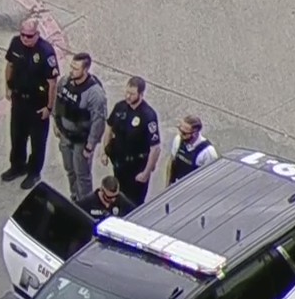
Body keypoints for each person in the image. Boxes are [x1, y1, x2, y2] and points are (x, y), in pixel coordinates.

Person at [1, 17, 59, 190]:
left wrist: (49, 107)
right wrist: (8, 87)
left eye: (29, 36)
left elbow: (52, 83)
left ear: (37, 34)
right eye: (23, 35)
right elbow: (10, 65)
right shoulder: (16, 43)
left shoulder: (45, 52)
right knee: (17, 136)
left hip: (37, 105)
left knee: (37, 142)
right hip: (19, 100)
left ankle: (34, 172)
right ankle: (17, 166)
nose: (25, 38)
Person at [54, 52, 107, 202]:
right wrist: (56, 124)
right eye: (72, 67)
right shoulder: (65, 82)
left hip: (81, 141)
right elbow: (58, 102)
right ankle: (74, 197)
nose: (72, 71)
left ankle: (85, 204)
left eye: (76, 68)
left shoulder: (95, 94)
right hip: (65, 135)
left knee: (82, 175)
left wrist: (90, 146)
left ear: (85, 70)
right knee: (70, 170)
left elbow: (98, 122)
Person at [100, 75, 160, 205]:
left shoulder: (148, 115)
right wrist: (105, 151)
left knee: (133, 203)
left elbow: (155, 148)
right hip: (119, 163)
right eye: (126, 92)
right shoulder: (120, 107)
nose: (128, 96)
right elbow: (109, 127)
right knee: (118, 198)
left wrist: (146, 172)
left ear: (141, 94)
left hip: (136, 167)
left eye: (132, 94)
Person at [165, 115, 219, 187]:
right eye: (180, 130)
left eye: (184, 133)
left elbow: (211, 179)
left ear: (195, 133)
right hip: (176, 188)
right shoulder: (178, 140)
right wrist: (167, 186)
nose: (181, 135)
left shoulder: (208, 153)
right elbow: (171, 162)